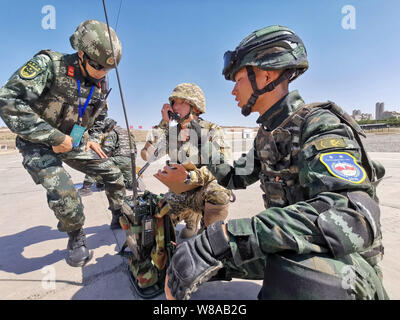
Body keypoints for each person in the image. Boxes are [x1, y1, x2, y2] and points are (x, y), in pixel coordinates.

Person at [164, 25, 388, 300]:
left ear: (265, 75)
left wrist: (226, 237)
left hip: (342, 267)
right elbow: (235, 176)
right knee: (195, 255)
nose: (233, 89)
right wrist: (197, 133)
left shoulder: (319, 124)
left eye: (238, 79)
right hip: (296, 248)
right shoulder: (268, 134)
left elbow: (352, 217)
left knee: (289, 276)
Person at [0, 20, 129, 267]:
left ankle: (118, 214)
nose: (102, 73)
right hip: (36, 142)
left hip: (72, 141)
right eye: (97, 66)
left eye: (107, 70)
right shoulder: (50, 65)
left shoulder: (99, 84)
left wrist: (87, 139)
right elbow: (7, 100)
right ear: (81, 54)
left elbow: (89, 116)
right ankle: (76, 235)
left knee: (113, 173)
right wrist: (55, 138)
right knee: (65, 193)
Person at [140, 83, 231, 238]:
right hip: (178, 193)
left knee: (219, 193)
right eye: (172, 102)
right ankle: (189, 218)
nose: (173, 106)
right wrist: (163, 126)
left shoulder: (211, 130)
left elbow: (221, 167)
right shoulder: (171, 132)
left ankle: (209, 237)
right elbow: (146, 155)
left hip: (201, 191)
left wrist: (189, 177)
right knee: (153, 224)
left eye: (179, 102)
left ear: (194, 105)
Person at [79, 118, 137, 198]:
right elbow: (134, 149)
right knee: (127, 181)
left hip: (119, 160)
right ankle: (132, 183)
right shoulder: (129, 133)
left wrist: (96, 154)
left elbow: (106, 149)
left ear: (109, 127)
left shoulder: (112, 133)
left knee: (95, 164)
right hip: (130, 161)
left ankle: (86, 188)